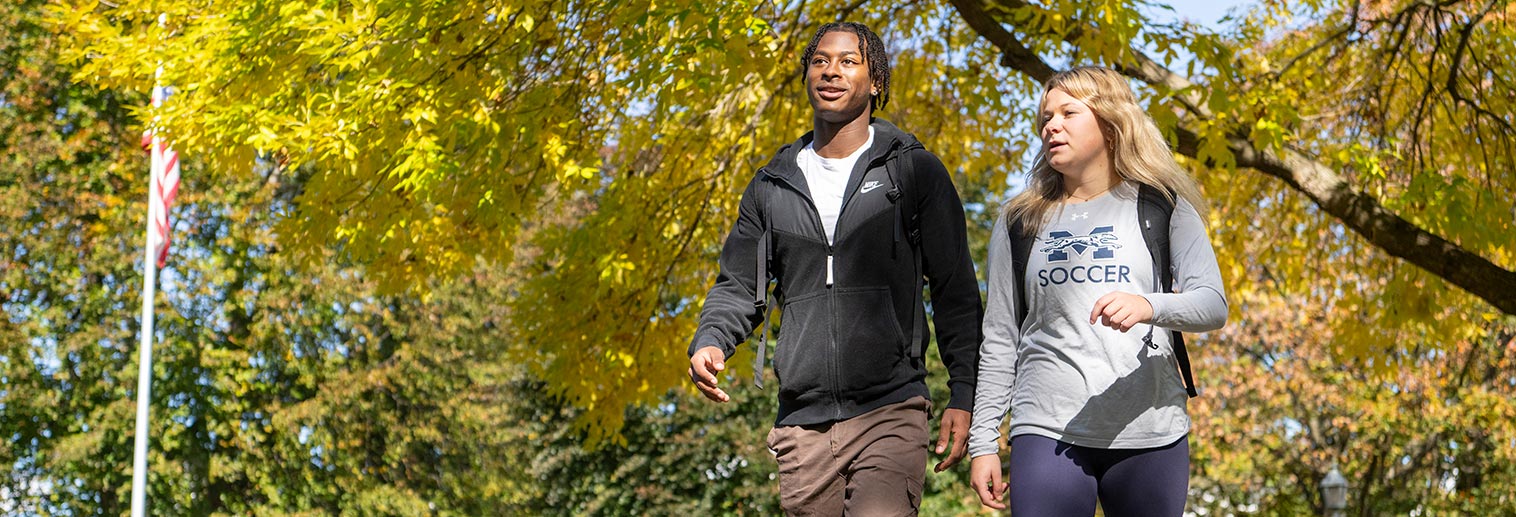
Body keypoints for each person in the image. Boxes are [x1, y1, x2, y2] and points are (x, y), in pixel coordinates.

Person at [686, 21, 983, 516]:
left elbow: (955, 290)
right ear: (806, 76)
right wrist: (711, 339)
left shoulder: (912, 171)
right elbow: (739, 284)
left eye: (849, 61)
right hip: (802, 424)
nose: (831, 71)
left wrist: (964, 392)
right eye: (820, 60)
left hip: (891, 408)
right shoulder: (771, 185)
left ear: (875, 81)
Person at [966, 65, 1228, 516]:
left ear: (1110, 124)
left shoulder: (1162, 206)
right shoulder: (1019, 220)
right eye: (1046, 117)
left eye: (1069, 112)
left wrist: (1149, 305)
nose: (1052, 125)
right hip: (1045, 426)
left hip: (1149, 430)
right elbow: (1000, 336)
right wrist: (983, 441)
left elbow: (1212, 305)